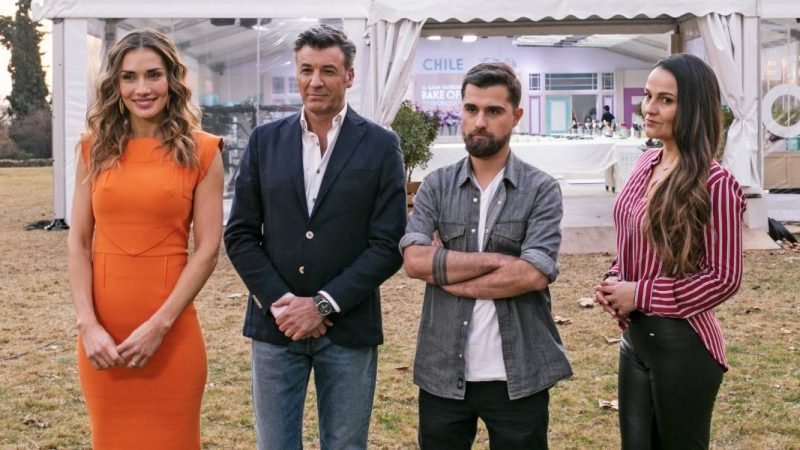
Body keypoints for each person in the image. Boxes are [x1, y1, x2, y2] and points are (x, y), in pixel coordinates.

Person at [223, 24, 406, 450]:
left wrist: (322, 304)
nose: (315, 81)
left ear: (349, 76)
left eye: (328, 70)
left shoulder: (381, 145)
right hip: (276, 326)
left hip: (348, 327)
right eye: (306, 70)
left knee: (346, 444)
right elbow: (240, 234)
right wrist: (282, 304)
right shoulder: (265, 141)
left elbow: (388, 244)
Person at [401, 62, 572, 449]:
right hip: (443, 372)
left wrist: (448, 274)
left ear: (516, 116)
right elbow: (414, 261)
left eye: (494, 111)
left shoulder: (541, 189)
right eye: (471, 109)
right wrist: (499, 260)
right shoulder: (436, 186)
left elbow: (533, 274)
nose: (480, 121)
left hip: (519, 375)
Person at [67, 29, 223, 449]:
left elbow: (208, 250)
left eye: (153, 75)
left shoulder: (204, 151)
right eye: (129, 77)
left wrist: (160, 325)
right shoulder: (92, 150)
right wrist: (88, 325)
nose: (142, 88)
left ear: (171, 79)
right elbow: (78, 242)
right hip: (102, 340)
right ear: (115, 85)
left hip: (171, 336)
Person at [594, 53, 746, 449]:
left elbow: (724, 277)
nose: (649, 108)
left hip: (685, 346)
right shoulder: (645, 162)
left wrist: (640, 294)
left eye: (666, 100)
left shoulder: (716, 183)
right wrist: (615, 281)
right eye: (648, 96)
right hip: (635, 342)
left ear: (693, 108)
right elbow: (633, 242)